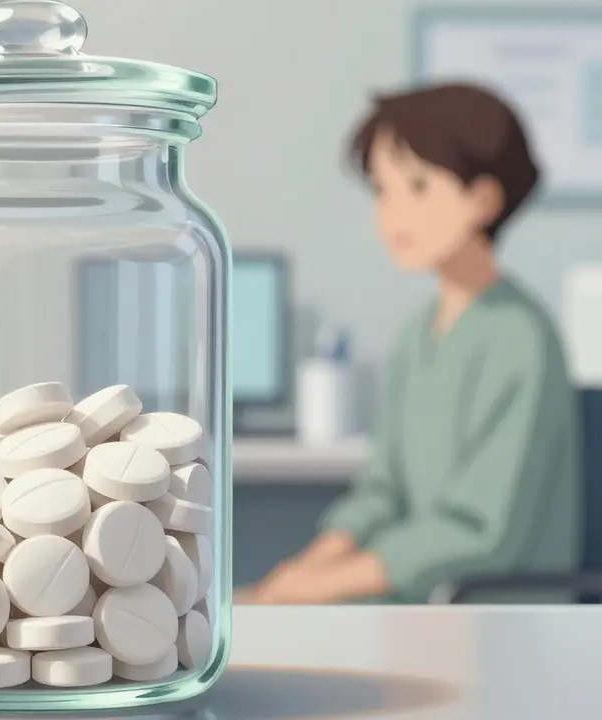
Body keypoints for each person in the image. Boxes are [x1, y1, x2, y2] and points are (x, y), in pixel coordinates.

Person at [243, 83, 581, 604]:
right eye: (384, 190)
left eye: (418, 187)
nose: (393, 212)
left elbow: (480, 529)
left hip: (486, 610)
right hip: (416, 599)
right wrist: (302, 571)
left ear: (483, 199)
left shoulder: (520, 338)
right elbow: (382, 492)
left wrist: (321, 585)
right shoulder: (417, 334)